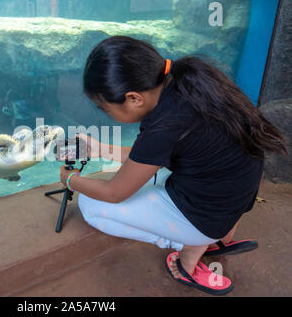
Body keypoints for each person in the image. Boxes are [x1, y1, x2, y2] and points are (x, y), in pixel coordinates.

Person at [59, 36, 288, 295]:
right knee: (142, 176)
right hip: (235, 199)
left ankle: (188, 248)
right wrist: (98, 147)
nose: (107, 113)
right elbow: (149, 155)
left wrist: (71, 181)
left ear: (134, 98)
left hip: (208, 218)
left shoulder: (165, 126)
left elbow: (115, 193)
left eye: (106, 108)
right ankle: (218, 236)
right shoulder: (189, 78)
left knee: (91, 205)